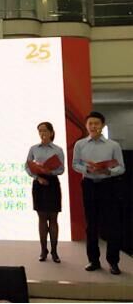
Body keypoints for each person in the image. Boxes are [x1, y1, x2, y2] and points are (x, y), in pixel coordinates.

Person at [72, 111, 125, 275]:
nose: (93, 126)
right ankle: (93, 260)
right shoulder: (80, 144)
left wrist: (109, 171)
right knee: (91, 225)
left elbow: (121, 167)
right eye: (90, 123)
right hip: (89, 185)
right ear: (86, 126)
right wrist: (87, 169)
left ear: (102, 126)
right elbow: (75, 164)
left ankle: (113, 262)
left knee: (112, 225)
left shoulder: (113, 145)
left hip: (107, 185)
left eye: (96, 123)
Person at [25, 122, 65, 263]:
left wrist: (50, 171)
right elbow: (27, 166)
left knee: (53, 218)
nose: (42, 133)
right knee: (42, 218)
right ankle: (43, 250)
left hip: (52, 183)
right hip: (39, 183)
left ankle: (54, 251)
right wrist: (37, 176)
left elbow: (61, 169)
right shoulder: (34, 148)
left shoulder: (58, 149)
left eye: (45, 131)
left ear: (51, 132)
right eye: (40, 131)